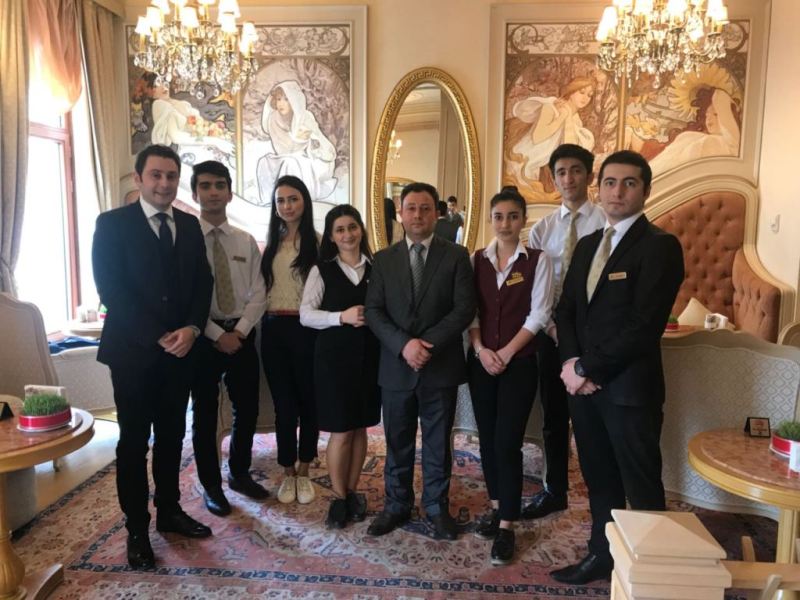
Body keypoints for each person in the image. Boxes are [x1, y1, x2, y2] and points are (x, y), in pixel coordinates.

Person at [551, 151, 684, 584]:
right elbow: (566, 310)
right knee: (599, 477)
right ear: (599, 188)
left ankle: (651, 572)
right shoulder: (588, 244)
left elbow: (643, 327)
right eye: (610, 182)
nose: (617, 191)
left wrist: (586, 368)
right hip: (584, 391)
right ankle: (602, 554)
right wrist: (571, 363)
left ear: (646, 190)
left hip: (629, 392)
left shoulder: (660, 246)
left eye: (629, 183)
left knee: (641, 484)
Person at [92, 144, 214, 569]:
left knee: (172, 437)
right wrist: (158, 336)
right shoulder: (112, 225)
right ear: (139, 178)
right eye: (156, 175)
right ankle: (137, 529)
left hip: (180, 353)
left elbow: (203, 284)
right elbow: (111, 290)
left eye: (171, 176)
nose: (164, 184)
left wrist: (192, 328)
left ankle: (169, 511)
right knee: (133, 443)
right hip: (133, 354)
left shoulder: (190, 225)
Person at [365, 182, 476, 540]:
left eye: (425, 208)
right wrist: (405, 345)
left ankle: (436, 508)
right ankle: (396, 504)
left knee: (437, 444)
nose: (417, 215)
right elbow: (374, 311)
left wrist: (425, 345)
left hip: (439, 366)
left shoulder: (456, 256)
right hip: (396, 367)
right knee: (396, 442)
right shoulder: (383, 259)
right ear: (400, 213)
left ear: (437, 213)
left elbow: (464, 308)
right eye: (411, 208)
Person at [468, 188, 553, 565]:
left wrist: (505, 352)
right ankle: (496, 506)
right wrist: (480, 349)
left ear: (523, 220)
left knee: (507, 441)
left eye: (513, 216)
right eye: (499, 216)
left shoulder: (538, 260)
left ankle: (507, 525)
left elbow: (539, 314)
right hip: (481, 362)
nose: (505, 224)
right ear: (491, 220)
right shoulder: (476, 260)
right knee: (486, 439)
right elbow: (471, 312)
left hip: (519, 363)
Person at [522, 143, 606, 521]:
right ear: (553, 179)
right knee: (553, 417)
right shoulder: (542, 229)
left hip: (593, 336)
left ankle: (602, 495)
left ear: (589, 175)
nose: (568, 178)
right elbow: (536, 289)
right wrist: (553, 329)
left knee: (592, 419)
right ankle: (554, 490)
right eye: (561, 172)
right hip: (551, 332)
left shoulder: (604, 222)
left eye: (575, 170)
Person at [189, 160, 268, 518]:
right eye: (205, 186)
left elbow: (259, 291)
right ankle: (211, 486)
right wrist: (217, 334)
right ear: (195, 193)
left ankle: (239, 473)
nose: (213, 192)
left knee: (246, 408)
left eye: (220, 185)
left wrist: (239, 331)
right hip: (202, 336)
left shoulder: (244, 240)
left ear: (230, 192)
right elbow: (185, 297)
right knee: (205, 414)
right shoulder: (186, 241)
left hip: (242, 334)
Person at [299, 205, 380, 529]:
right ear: (331, 237)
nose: (348, 234)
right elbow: (306, 314)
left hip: (370, 358)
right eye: (340, 230)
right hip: (333, 360)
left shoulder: (376, 267)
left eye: (352, 227)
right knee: (342, 429)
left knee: (360, 427)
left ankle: (353, 490)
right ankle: (338, 496)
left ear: (361, 229)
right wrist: (340, 317)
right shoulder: (322, 270)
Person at [260, 174, 320, 505]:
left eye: (293, 198)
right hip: (274, 331)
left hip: (307, 329)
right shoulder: (270, 245)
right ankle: (288, 472)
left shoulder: (319, 243)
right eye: (281, 200)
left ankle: (305, 468)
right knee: (284, 405)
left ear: (304, 202)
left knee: (309, 402)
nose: (287, 206)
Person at [256, 80, 337, 204]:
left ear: (294, 100)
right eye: (278, 99)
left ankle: (293, 202)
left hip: (304, 158)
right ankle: (269, 203)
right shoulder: (273, 119)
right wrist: (296, 139)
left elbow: (319, 140)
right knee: (264, 162)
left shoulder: (305, 117)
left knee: (290, 163)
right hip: (282, 157)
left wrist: (310, 140)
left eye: (286, 99)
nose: (281, 103)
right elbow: (283, 148)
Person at [506, 77, 595, 186]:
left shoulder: (576, 121)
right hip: (524, 159)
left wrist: (567, 118)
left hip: (541, 165)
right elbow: (537, 137)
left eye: (589, 95)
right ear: (571, 91)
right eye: (582, 92)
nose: (585, 98)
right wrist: (562, 117)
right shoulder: (551, 107)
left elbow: (569, 149)